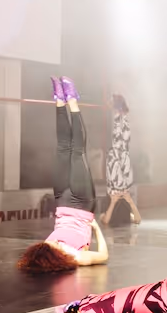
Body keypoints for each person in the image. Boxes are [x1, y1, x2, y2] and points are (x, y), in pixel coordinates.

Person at [17, 77, 108, 272]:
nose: (54, 243)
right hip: (82, 204)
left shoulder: (47, 247)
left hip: (62, 202)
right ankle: (72, 100)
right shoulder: (75, 257)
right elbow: (103, 256)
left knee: (62, 148)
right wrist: (96, 228)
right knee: (77, 152)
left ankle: (59, 99)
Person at [102, 94, 142, 225]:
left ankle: (119, 112)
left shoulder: (108, 200)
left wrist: (113, 201)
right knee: (123, 144)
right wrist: (129, 200)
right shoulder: (125, 207)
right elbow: (138, 220)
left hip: (114, 184)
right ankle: (121, 113)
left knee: (119, 144)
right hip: (123, 183)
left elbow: (105, 220)